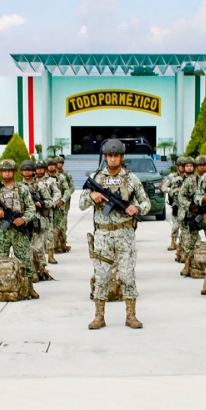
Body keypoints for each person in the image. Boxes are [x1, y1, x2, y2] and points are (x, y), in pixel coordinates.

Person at [79, 139, 149, 329]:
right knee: (101, 277)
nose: (112, 159)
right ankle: (99, 316)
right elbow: (81, 203)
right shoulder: (96, 178)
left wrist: (136, 208)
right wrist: (92, 196)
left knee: (127, 276)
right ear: (105, 157)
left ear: (121, 157)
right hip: (102, 235)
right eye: (109, 156)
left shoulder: (131, 179)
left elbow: (146, 203)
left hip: (125, 234)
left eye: (116, 155)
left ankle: (131, 315)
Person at [0, 159, 38, 298]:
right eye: (4, 171)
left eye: (9, 171)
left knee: (25, 260)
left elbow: (31, 208)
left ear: (14, 172)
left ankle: (29, 287)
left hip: (18, 231)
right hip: (2, 230)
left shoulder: (22, 189)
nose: (7, 173)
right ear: (1, 172)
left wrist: (24, 219)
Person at [24, 160, 60, 273]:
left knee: (44, 238)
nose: (39, 170)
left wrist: (48, 204)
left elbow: (55, 194)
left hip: (41, 215)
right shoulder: (20, 185)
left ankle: (45, 261)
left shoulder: (46, 183)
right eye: (37, 168)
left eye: (41, 168)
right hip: (24, 219)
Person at [178, 155, 206, 261]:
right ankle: (187, 264)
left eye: (204, 165)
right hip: (193, 216)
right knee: (190, 244)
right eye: (200, 165)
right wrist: (189, 206)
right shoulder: (190, 180)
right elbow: (180, 196)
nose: (202, 167)